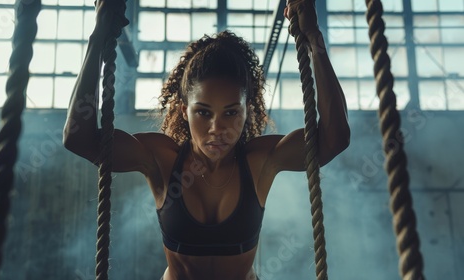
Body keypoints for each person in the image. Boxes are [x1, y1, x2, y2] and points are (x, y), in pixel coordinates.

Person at [63, 1, 350, 279]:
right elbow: (79, 138)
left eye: (230, 112)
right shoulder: (161, 159)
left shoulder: (260, 161)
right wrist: (97, 37)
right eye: (203, 112)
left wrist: (314, 39)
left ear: (247, 110)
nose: (217, 128)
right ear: (183, 110)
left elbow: (334, 139)